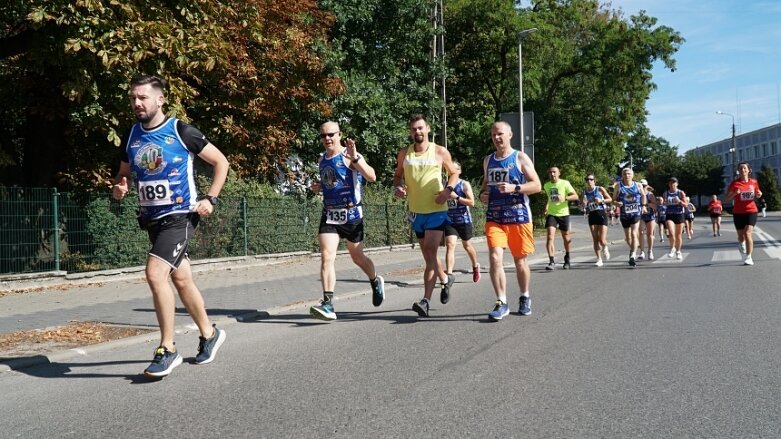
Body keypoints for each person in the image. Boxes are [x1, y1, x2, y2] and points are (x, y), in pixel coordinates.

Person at [112, 74, 228, 378]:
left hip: (181, 216)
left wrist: (211, 198)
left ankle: (168, 348)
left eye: (143, 97)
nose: (137, 103)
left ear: (160, 99)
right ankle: (210, 334)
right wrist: (120, 187)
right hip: (152, 219)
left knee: (155, 273)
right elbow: (123, 174)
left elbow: (221, 162)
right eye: (133, 98)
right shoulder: (132, 135)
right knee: (182, 280)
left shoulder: (180, 131)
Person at [308, 122, 385, 321]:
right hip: (330, 214)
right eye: (323, 135)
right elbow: (330, 182)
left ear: (339, 134)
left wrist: (356, 158)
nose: (327, 139)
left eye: (331, 134)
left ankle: (375, 281)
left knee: (357, 258)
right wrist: (319, 187)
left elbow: (372, 176)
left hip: (352, 215)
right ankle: (328, 304)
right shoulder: (321, 159)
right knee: (327, 256)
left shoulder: (350, 156)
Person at [392, 114, 460, 317]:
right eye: (413, 129)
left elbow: (454, 173)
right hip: (416, 213)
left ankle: (425, 301)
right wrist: (398, 188)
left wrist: (447, 192)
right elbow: (397, 177)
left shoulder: (439, 151)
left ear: (428, 129)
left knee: (430, 253)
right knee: (429, 256)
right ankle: (446, 280)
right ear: (410, 131)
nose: (417, 132)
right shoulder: (405, 153)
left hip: (437, 212)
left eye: (420, 128)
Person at [479, 121, 541, 321]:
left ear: (510, 134)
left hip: (518, 216)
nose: (497, 138)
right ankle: (501, 301)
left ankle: (524, 296)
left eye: (500, 134)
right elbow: (485, 185)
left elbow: (537, 185)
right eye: (494, 134)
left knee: (519, 261)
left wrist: (515, 188)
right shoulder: (488, 160)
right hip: (495, 216)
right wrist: (482, 195)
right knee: (495, 258)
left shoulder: (520, 158)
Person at [444, 162, 481, 284]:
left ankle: (475, 266)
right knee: (450, 245)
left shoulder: (464, 184)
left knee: (467, 246)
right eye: (449, 168)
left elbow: (472, 202)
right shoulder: (444, 185)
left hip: (464, 220)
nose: (451, 171)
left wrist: (457, 197)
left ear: (459, 171)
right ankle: (449, 275)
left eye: (454, 168)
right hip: (450, 220)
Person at [726, 161, 762, 265]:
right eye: (740, 169)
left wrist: (759, 194)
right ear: (738, 171)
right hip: (738, 212)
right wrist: (734, 193)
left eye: (744, 168)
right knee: (741, 236)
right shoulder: (735, 183)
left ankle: (749, 257)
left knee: (747, 233)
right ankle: (741, 242)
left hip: (751, 211)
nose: (743, 170)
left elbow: (758, 193)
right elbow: (727, 198)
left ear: (749, 170)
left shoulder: (754, 182)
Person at [543, 166, 579, 270]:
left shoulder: (565, 183)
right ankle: (551, 261)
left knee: (566, 238)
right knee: (550, 237)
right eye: (550, 172)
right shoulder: (547, 185)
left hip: (563, 213)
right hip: (552, 214)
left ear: (559, 173)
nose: (552, 174)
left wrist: (565, 198)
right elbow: (549, 198)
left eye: (554, 172)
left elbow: (575, 196)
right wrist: (546, 207)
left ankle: (567, 258)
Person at [612, 168, 648, 267]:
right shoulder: (618, 186)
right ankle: (633, 248)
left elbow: (643, 195)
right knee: (628, 238)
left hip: (635, 212)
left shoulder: (638, 185)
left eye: (628, 174)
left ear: (632, 175)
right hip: (624, 214)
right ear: (622, 175)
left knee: (634, 233)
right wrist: (616, 203)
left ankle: (632, 255)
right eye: (624, 174)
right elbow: (613, 199)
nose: (627, 175)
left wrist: (644, 206)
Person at [582, 174, 612, 267]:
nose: (589, 181)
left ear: (594, 180)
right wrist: (583, 204)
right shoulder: (584, 191)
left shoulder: (599, 189)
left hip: (601, 213)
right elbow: (582, 204)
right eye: (587, 179)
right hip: (592, 215)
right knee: (595, 239)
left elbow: (610, 199)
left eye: (591, 179)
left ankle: (605, 247)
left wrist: (601, 201)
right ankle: (599, 259)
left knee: (602, 239)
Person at [662, 177, 688, 260]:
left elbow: (686, 205)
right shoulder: (666, 193)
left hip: (679, 215)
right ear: (669, 184)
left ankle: (678, 251)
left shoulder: (680, 193)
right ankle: (672, 248)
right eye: (670, 183)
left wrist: (679, 201)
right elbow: (665, 204)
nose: (672, 184)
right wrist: (665, 203)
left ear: (677, 184)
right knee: (671, 233)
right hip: (669, 215)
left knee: (678, 235)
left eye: (674, 182)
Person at [637, 180, 657, 260]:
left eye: (644, 186)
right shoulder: (637, 194)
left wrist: (646, 204)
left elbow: (655, 206)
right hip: (641, 216)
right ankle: (642, 252)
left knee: (649, 234)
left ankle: (650, 251)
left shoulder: (650, 195)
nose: (643, 187)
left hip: (650, 216)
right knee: (641, 233)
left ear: (646, 186)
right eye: (641, 186)